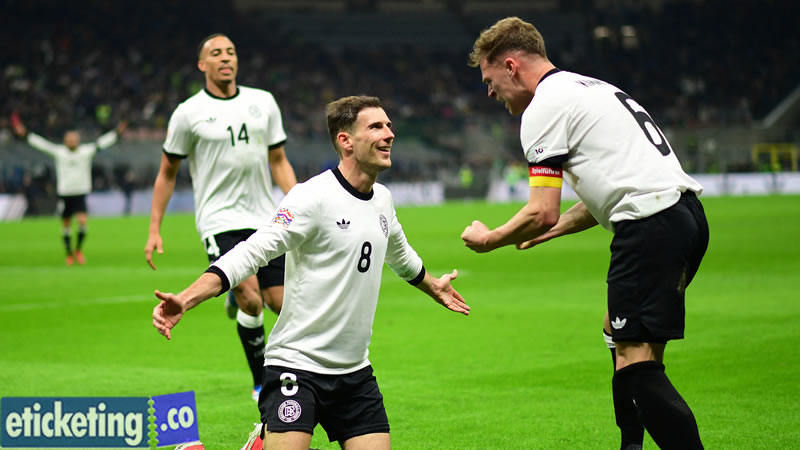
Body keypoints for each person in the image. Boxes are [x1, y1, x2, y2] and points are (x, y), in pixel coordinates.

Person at [152, 96, 470, 450]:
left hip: (355, 373)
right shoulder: (312, 197)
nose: (389, 134)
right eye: (376, 127)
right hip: (296, 367)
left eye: (389, 125)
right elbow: (251, 252)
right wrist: (187, 298)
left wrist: (433, 286)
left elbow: (401, 255)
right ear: (345, 140)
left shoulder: (382, 199)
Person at [461, 17, 708, 450]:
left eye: (489, 80)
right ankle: (631, 445)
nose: (490, 92)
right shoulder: (591, 88)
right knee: (623, 336)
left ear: (511, 66)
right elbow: (605, 194)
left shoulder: (543, 107)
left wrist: (490, 238)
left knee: (636, 366)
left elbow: (542, 210)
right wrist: (552, 231)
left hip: (648, 226)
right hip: (684, 216)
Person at [144, 33, 298, 402]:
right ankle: (261, 382)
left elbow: (278, 161)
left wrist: (300, 205)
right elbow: (167, 173)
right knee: (251, 299)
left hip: (265, 217)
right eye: (216, 53)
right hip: (220, 219)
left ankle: (236, 300)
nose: (225, 58)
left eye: (230, 52)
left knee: (280, 303)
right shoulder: (188, 113)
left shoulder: (263, 102)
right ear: (203, 65)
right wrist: (154, 228)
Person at [10, 113, 127, 265]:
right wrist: (25, 134)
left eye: (74, 139)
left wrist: (117, 132)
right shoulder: (59, 152)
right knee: (66, 224)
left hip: (81, 192)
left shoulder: (86, 151)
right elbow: (41, 144)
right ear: (65, 141)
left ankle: (78, 250)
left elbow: (102, 142)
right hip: (65, 193)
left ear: (78, 140)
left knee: (82, 222)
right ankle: (68, 253)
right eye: (69, 139)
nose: (71, 141)